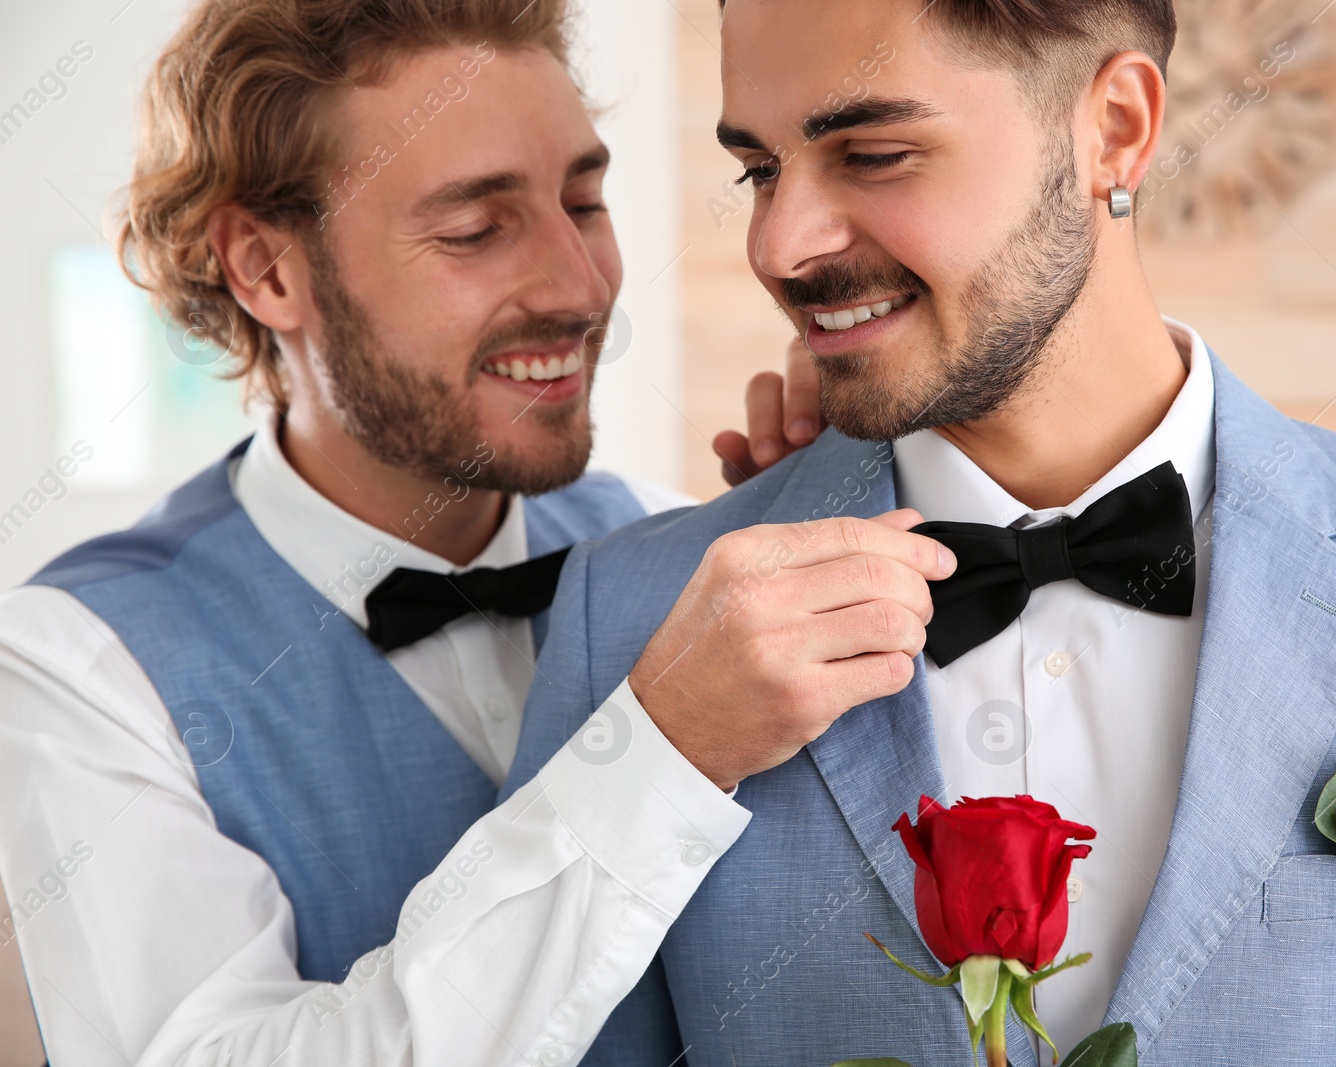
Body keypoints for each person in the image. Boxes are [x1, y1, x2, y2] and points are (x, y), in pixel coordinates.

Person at [500, 0, 1336, 1064]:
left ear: (1112, 129)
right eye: (759, 169)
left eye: (874, 153)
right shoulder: (631, 618)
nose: (780, 244)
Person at [0, 1, 827, 1063]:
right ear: (266, 269)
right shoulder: (77, 667)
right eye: (475, 230)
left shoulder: (686, 558)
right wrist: (661, 752)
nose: (582, 289)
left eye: (583, 200)